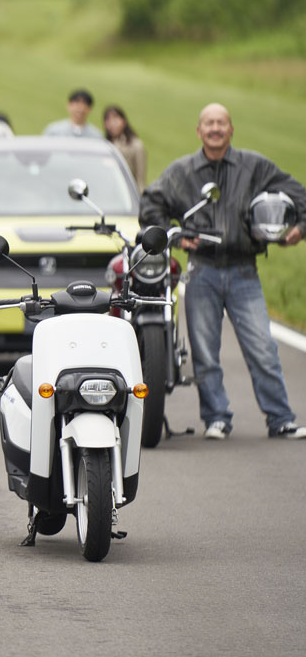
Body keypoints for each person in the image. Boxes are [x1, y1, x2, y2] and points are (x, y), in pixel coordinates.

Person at [140, 103, 306, 440]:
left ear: (231, 130)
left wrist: (299, 228)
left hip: (245, 270)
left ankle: (280, 419)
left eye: (222, 123)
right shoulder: (181, 171)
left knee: (263, 349)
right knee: (205, 353)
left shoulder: (255, 166)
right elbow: (150, 204)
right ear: (199, 131)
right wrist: (175, 236)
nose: (215, 129)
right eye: (209, 123)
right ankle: (216, 418)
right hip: (202, 271)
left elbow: (299, 194)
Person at [103, 104, 147, 190]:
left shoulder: (136, 145)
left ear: (123, 121)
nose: (112, 123)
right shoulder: (104, 145)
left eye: (115, 118)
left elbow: (140, 179)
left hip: (127, 192)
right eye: (108, 119)